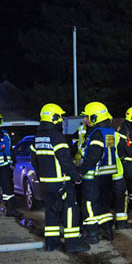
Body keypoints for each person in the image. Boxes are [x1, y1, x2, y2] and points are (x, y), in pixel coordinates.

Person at [31, 103, 88, 253]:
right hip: (60, 183)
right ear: (54, 118)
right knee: (70, 210)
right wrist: (76, 176)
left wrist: (42, 177)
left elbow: (34, 161)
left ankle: (51, 243)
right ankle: (72, 244)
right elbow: (65, 161)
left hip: (45, 183)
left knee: (51, 212)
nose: (61, 120)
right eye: (60, 117)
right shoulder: (57, 137)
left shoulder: (37, 137)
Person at [78, 102, 117, 242]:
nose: (85, 120)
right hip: (107, 175)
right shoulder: (109, 131)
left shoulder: (97, 133)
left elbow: (94, 156)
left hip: (94, 175)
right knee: (103, 205)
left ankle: (91, 234)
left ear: (95, 117)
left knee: (89, 203)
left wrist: (80, 172)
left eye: (88, 117)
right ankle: (107, 231)